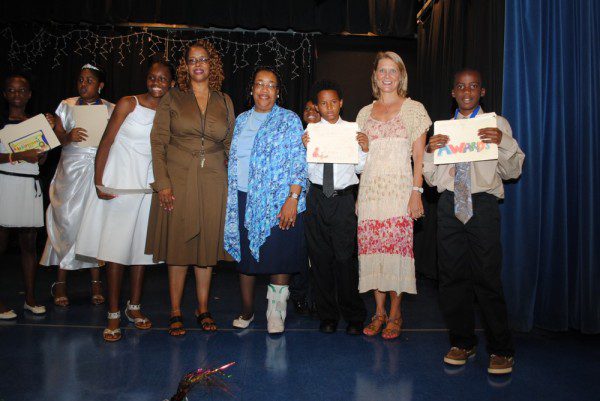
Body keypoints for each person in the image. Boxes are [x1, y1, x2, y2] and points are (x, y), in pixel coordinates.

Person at [423, 68, 524, 375]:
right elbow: (432, 179)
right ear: (453, 92)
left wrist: (503, 142)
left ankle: (501, 349)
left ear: (482, 92)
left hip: (482, 204)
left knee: (487, 277)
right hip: (450, 205)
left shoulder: (497, 124)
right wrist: (429, 151)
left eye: (473, 86)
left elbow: (513, 171)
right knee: (451, 278)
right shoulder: (442, 129)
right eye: (461, 86)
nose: (466, 91)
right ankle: (462, 343)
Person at [75, 61, 175, 341]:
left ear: (171, 83)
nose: (157, 83)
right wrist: (98, 181)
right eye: (152, 77)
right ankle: (113, 312)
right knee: (116, 251)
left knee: (141, 252)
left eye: (163, 79)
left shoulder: (171, 110)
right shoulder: (128, 103)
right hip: (119, 185)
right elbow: (106, 142)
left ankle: (134, 306)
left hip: (148, 188)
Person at [146, 40, 234, 336]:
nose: (198, 64)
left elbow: (230, 145)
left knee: (206, 246)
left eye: (203, 59)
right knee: (179, 246)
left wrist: (234, 184)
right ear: (185, 66)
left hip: (214, 181)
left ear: (212, 64)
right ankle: (175, 310)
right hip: (179, 179)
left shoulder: (224, 100)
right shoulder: (172, 97)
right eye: (192, 60)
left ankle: (203, 308)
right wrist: (163, 184)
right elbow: (158, 142)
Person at [224, 66, 307, 334]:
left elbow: (298, 160)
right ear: (252, 89)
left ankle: (276, 312)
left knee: (280, 257)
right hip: (244, 198)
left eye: (271, 85)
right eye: (260, 84)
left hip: (279, 200)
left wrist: (293, 197)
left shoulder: (289, 119)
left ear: (278, 92)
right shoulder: (241, 120)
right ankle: (247, 310)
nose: (265, 90)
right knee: (246, 260)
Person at [356, 51, 431, 340]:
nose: (387, 76)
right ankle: (379, 312)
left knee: (397, 254)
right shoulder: (364, 113)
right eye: (382, 71)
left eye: (393, 71)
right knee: (373, 253)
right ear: (374, 76)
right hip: (370, 194)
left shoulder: (414, 110)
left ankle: (396, 313)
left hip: (400, 194)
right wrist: (358, 196)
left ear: (401, 76)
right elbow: (360, 159)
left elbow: (419, 157)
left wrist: (416, 192)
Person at [40, 64, 115, 306]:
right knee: (67, 223)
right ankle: (61, 282)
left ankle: (96, 282)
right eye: (81, 80)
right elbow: (56, 139)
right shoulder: (66, 105)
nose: (84, 84)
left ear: (100, 85)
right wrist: (67, 136)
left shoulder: (110, 108)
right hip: (70, 171)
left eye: (90, 80)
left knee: (92, 225)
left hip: (96, 169)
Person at [302, 80, 368, 334]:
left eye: (333, 102)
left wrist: (364, 148)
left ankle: (354, 315)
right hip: (317, 197)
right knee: (320, 260)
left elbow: (360, 168)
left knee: (344, 260)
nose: (329, 108)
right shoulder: (311, 132)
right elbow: (306, 171)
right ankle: (327, 315)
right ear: (317, 107)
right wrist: (305, 147)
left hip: (342, 199)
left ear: (341, 103)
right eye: (323, 103)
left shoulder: (353, 130)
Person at [0, 73, 55, 317]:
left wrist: (43, 148)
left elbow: (42, 160)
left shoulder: (36, 123)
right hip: (5, 183)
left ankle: (30, 298)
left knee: (29, 244)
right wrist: (19, 155)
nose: (17, 94)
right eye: (12, 90)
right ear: (5, 94)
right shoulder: (1, 122)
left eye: (22, 90)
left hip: (29, 185)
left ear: (30, 94)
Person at [289, 99, 321, 316]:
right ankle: (298, 296)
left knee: (319, 253)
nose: (311, 112)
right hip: (298, 203)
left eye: (315, 109)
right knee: (300, 252)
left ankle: (319, 298)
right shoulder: (295, 137)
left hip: (321, 201)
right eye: (307, 108)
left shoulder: (333, 137)